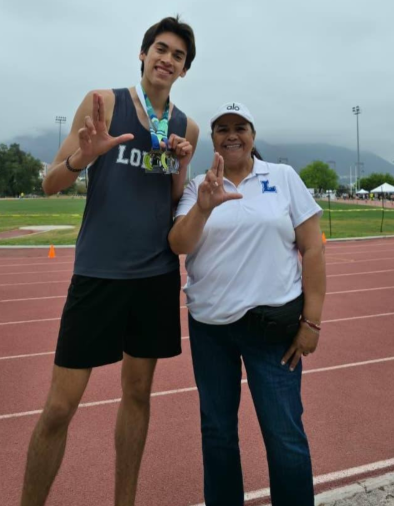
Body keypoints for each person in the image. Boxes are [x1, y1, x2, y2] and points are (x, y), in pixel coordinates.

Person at [22, 16, 198, 506]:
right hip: (98, 274)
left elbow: (173, 203)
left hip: (155, 277)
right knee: (60, 407)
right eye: (160, 49)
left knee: (138, 396)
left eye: (178, 56)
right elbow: (49, 183)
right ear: (142, 55)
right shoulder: (103, 102)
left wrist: (182, 165)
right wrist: (84, 157)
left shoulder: (187, 128)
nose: (167, 59)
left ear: (184, 71)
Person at [169, 102, 325, 506]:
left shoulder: (284, 177)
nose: (231, 135)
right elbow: (179, 244)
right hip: (211, 329)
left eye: (240, 127)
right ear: (214, 138)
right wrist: (204, 205)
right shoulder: (198, 185)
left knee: (284, 434)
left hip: (272, 330)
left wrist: (312, 323)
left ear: (254, 135)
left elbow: (312, 249)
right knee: (217, 434)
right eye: (222, 128)